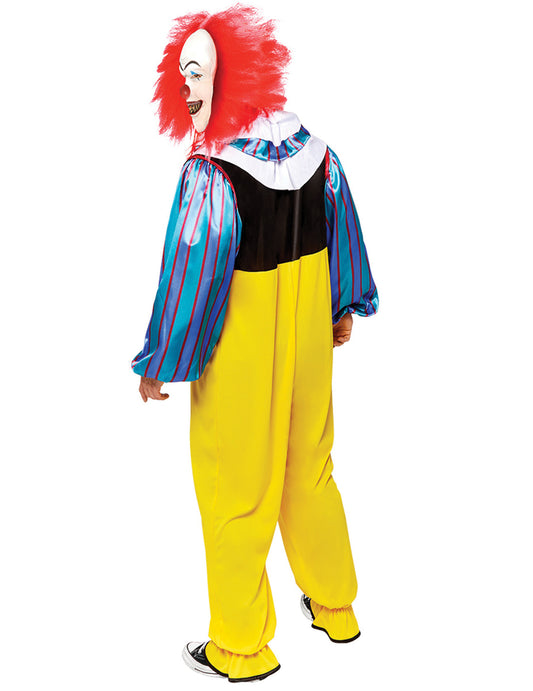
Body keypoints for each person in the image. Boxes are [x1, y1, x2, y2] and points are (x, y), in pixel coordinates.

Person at [131, 5, 378, 683]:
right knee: (310, 466)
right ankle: (335, 606)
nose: (187, 87)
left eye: (198, 73)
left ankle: (239, 647)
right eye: (184, 74)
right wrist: (340, 306)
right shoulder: (316, 152)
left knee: (235, 484)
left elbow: (193, 274)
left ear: (232, 74)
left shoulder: (214, 172)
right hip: (306, 338)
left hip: (241, 349)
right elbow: (343, 231)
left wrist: (162, 362)